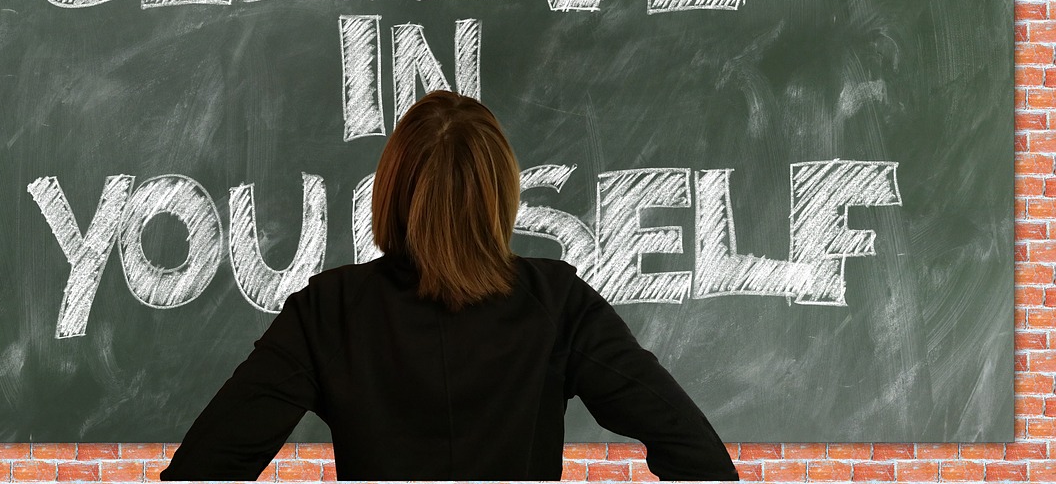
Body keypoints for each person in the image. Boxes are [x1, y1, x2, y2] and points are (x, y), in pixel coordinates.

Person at [159, 90, 739, 482]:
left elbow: (201, 470)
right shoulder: (556, 301)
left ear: (393, 189)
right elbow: (702, 459)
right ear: (501, 193)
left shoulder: (331, 309)